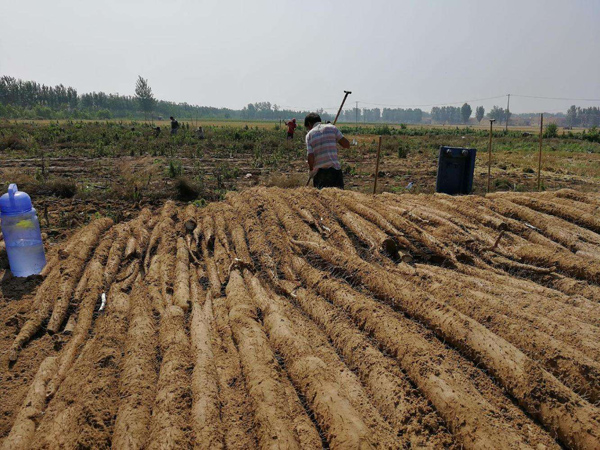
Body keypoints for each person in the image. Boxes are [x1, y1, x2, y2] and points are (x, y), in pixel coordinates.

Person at [304, 113, 350, 189]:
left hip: (320, 174)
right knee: (339, 198)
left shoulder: (309, 135)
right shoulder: (332, 128)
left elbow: (310, 156)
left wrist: (311, 170)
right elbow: (346, 144)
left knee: (323, 199)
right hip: (335, 172)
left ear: (309, 124)